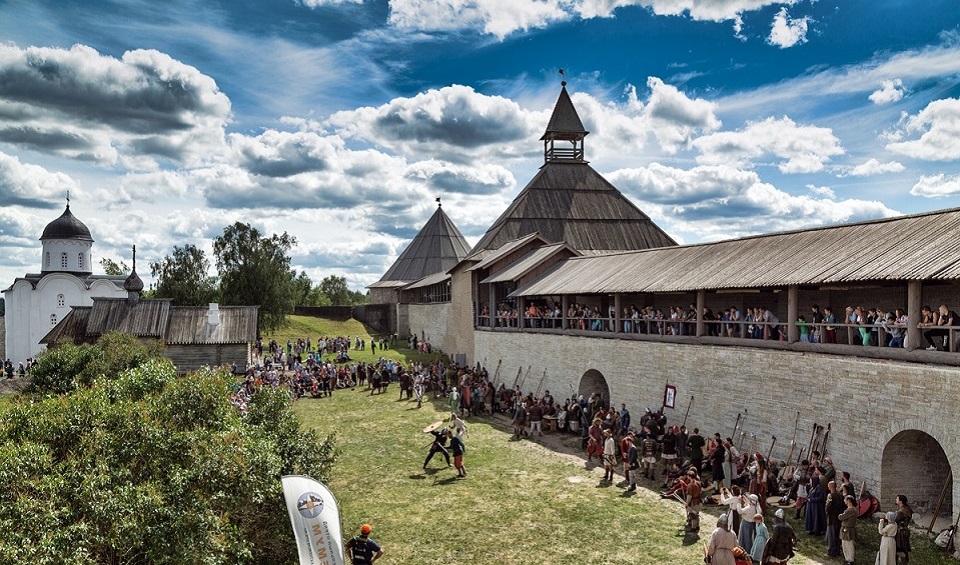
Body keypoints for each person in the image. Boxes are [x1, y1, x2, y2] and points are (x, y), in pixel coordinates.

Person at [825, 480, 844, 557]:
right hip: (838, 517)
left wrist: (827, 513)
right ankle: (837, 550)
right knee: (837, 535)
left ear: (830, 487)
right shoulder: (840, 495)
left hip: (832, 518)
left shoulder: (831, 495)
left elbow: (828, 507)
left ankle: (832, 551)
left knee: (831, 535)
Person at [839, 495, 858, 565]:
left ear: (849, 501)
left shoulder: (850, 510)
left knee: (849, 545)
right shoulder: (852, 509)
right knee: (845, 545)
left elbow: (841, 517)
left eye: (845, 499)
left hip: (848, 530)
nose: (844, 500)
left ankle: (850, 560)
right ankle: (848, 559)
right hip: (847, 529)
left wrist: (840, 515)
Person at [895, 494, 913, 564]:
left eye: (897, 499)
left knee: (900, 548)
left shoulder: (902, 511)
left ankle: (903, 562)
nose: (896, 500)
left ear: (901, 501)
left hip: (901, 532)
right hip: (904, 531)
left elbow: (896, 520)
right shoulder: (906, 508)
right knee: (903, 548)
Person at [685, 469, 702, 534]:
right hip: (698, 501)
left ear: (689, 476)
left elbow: (689, 496)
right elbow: (700, 491)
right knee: (696, 514)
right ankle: (697, 526)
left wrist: (687, 503)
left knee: (693, 515)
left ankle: (693, 528)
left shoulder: (690, 485)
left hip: (694, 502)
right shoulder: (698, 483)